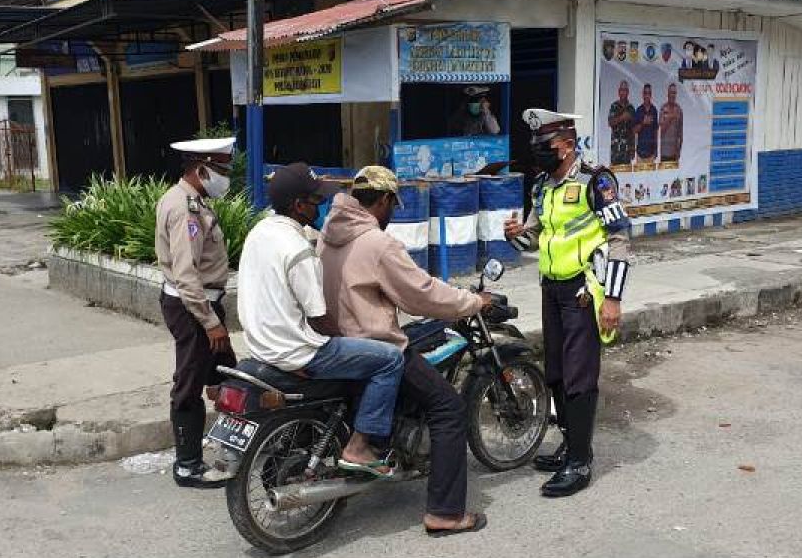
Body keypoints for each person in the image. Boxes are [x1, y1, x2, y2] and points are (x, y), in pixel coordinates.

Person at [318, 165, 491, 536]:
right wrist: (471, 301)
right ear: (382, 201)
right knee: (448, 407)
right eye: (392, 205)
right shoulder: (377, 243)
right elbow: (421, 294)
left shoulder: (328, 234)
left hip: (337, 344)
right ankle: (445, 513)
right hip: (374, 347)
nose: (393, 212)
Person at [237, 162, 406, 475]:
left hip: (261, 346)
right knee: (389, 359)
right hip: (298, 352)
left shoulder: (258, 233)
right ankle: (359, 447)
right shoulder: (298, 249)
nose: (322, 205)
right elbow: (319, 319)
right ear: (298, 205)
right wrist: (353, 339)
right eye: (316, 200)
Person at [505, 109, 632, 498]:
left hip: (583, 290)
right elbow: (534, 236)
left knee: (579, 376)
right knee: (557, 373)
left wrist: (612, 298)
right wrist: (516, 235)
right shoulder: (542, 187)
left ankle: (580, 461)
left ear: (567, 145)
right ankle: (570, 444)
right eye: (536, 146)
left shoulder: (597, 182)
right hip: (552, 289)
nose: (539, 153)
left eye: (545, 146)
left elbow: (620, 239)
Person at [156, 136, 239, 488]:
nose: (225, 176)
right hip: (193, 308)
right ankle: (187, 465)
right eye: (221, 169)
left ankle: (232, 446)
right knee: (189, 382)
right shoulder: (183, 208)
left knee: (225, 375)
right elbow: (186, 273)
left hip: (202, 304)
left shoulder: (194, 202)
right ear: (201, 168)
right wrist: (210, 322)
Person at [607, 81, 636, 166]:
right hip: (616, 149)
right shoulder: (614, 106)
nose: (623, 92)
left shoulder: (631, 108)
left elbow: (633, 130)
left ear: (628, 92)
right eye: (622, 90)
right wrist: (621, 118)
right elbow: (610, 122)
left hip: (627, 150)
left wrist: (633, 148)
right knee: (615, 174)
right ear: (619, 91)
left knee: (626, 175)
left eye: (625, 90)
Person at [634, 84, 659, 163]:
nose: (647, 95)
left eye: (649, 93)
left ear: (651, 95)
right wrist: (643, 123)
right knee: (639, 175)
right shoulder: (639, 110)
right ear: (642, 95)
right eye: (645, 93)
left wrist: (656, 149)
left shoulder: (654, 110)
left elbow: (656, 131)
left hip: (651, 154)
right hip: (640, 154)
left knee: (651, 175)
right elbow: (634, 130)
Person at [659, 83, 684, 163]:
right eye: (671, 92)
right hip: (664, 154)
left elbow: (680, 133)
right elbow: (661, 131)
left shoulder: (679, 110)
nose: (673, 95)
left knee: (675, 175)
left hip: (675, 154)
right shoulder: (663, 109)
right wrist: (670, 117)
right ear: (668, 93)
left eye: (674, 93)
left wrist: (679, 151)